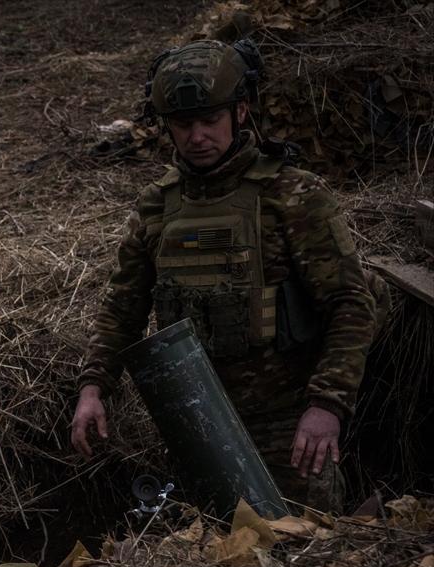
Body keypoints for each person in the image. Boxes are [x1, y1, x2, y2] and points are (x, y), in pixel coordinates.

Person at [70, 39, 387, 513]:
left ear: (240, 113)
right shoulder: (158, 205)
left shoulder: (292, 196)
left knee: (302, 551)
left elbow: (350, 303)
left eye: (209, 120)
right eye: (183, 124)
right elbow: (123, 306)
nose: (197, 136)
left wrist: (327, 406)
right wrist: (93, 388)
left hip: (290, 423)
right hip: (199, 420)